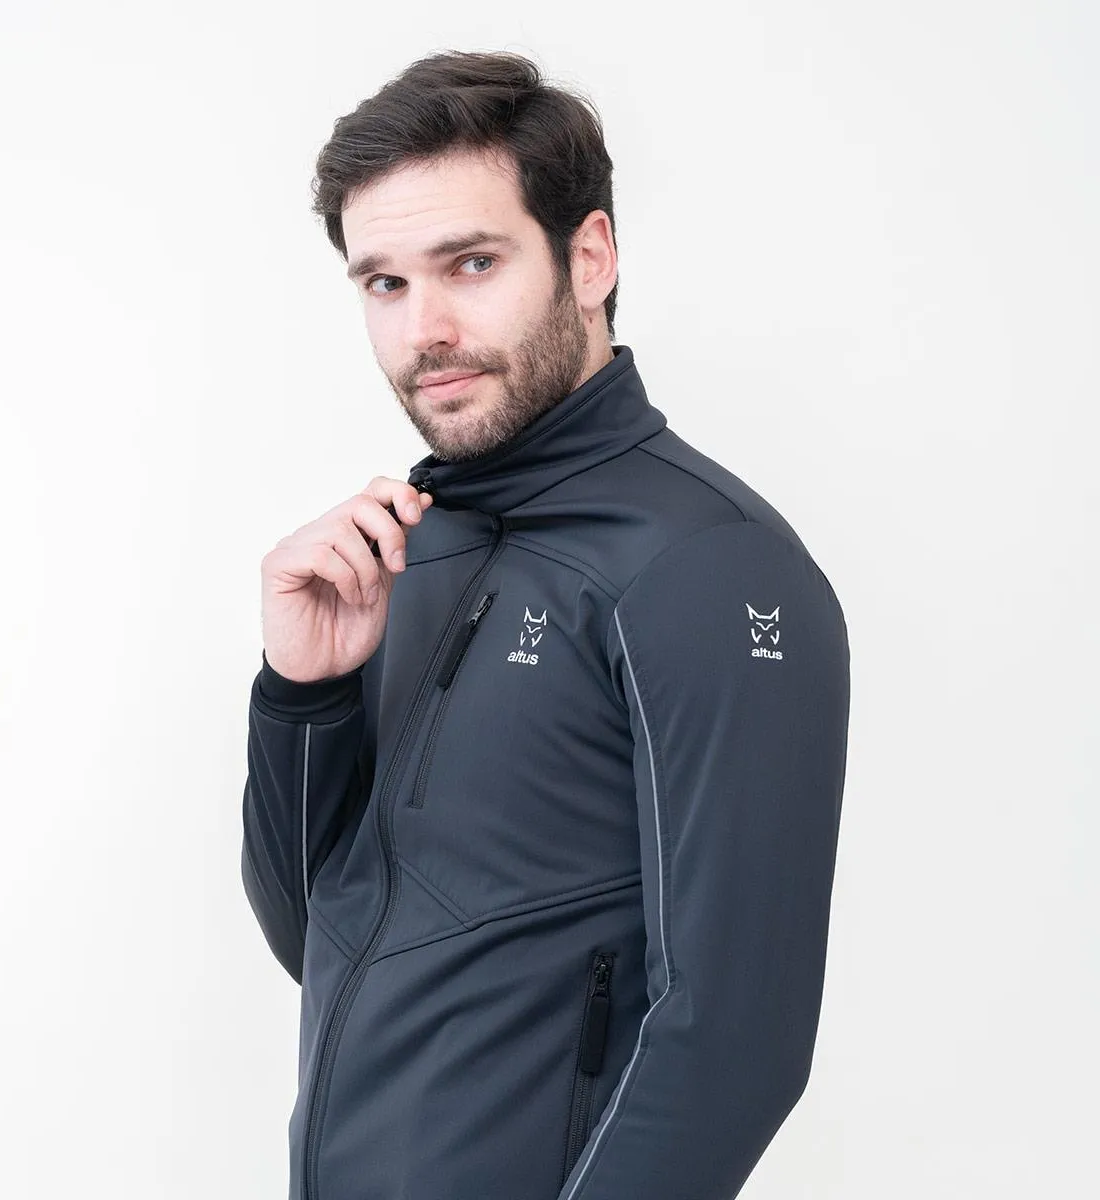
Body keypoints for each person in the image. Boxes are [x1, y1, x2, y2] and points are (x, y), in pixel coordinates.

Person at [241, 49, 851, 1200]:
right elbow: (319, 942)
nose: (426, 329)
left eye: (471, 263)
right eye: (385, 283)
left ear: (590, 256)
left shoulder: (708, 568)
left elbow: (736, 1042)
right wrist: (301, 696)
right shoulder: (414, 549)